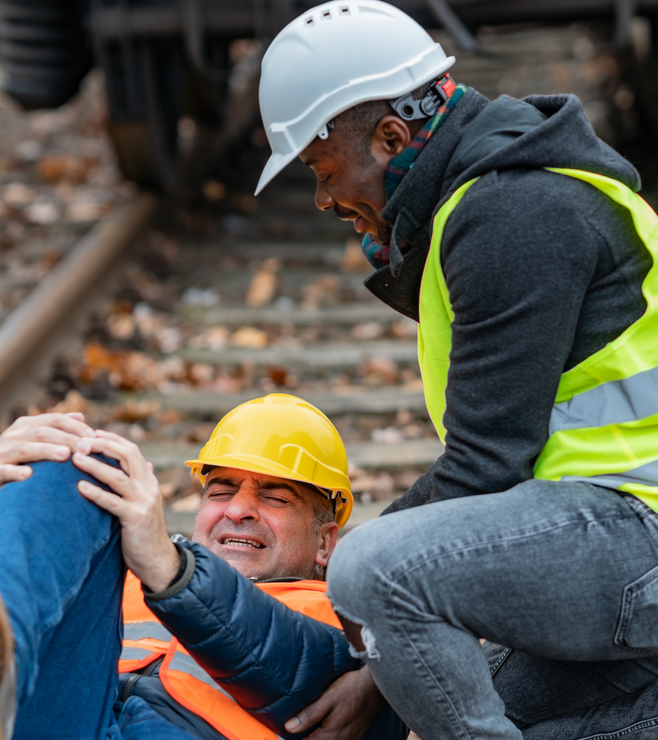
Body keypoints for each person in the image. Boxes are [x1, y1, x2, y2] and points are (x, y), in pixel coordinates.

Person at [255, 2, 658, 739]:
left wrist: (357, 590)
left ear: (390, 137)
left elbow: (483, 466)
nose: (322, 199)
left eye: (322, 168)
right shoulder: (496, 193)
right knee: (498, 712)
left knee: (371, 567)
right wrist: (383, 670)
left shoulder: (514, 211)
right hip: (612, 538)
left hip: (636, 537)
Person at [0, 395, 406, 740]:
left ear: (326, 542)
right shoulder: (130, 576)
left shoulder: (353, 618)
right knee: (83, 460)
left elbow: (305, 669)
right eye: (222, 490)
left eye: (277, 498)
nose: (238, 509)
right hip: (71, 718)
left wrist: (170, 569)